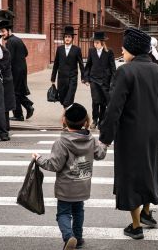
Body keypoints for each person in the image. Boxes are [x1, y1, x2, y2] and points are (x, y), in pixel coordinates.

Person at [99, 28, 158, 240]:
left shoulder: (125, 72)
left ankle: (135, 226)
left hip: (131, 135)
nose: (122, 52)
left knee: (131, 179)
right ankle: (146, 213)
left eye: (124, 49)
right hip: (155, 133)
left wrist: (105, 138)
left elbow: (114, 108)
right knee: (149, 172)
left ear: (133, 50)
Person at [32, 103, 107, 250]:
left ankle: (68, 236)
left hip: (66, 188)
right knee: (79, 211)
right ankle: (78, 239)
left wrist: (38, 158)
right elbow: (100, 154)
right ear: (86, 122)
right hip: (83, 185)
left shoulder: (61, 143)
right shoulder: (91, 140)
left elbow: (54, 165)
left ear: (64, 120)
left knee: (63, 213)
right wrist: (104, 144)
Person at [0, 20, 34, 121]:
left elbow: (9, 58)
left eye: (3, 31)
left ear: (9, 30)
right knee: (17, 91)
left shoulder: (10, 42)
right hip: (22, 69)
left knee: (14, 92)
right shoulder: (18, 39)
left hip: (15, 71)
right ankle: (27, 106)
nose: (2, 34)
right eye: (1, 31)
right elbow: (26, 53)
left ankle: (19, 114)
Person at [83, 31, 116, 129]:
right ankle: (94, 120)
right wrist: (86, 78)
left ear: (102, 42)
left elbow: (112, 67)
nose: (95, 44)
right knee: (95, 100)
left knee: (103, 102)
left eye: (97, 42)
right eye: (94, 42)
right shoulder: (91, 51)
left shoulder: (109, 51)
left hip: (105, 80)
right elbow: (88, 65)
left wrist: (113, 81)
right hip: (94, 79)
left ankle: (101, 120)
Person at [51, 26, 86, 109]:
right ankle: (67, 114)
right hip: (61, 78)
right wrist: (53, 77)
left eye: (69, 37)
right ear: (64, 38)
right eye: (66, 37)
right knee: (62, 99)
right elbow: (56, 64)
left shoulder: (77, 49)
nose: (67, 38)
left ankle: (67, 117)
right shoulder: (59, 49)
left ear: (72, 38)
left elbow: (81, 64)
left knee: (69, 98)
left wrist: (83, 77)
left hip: (72, 78)